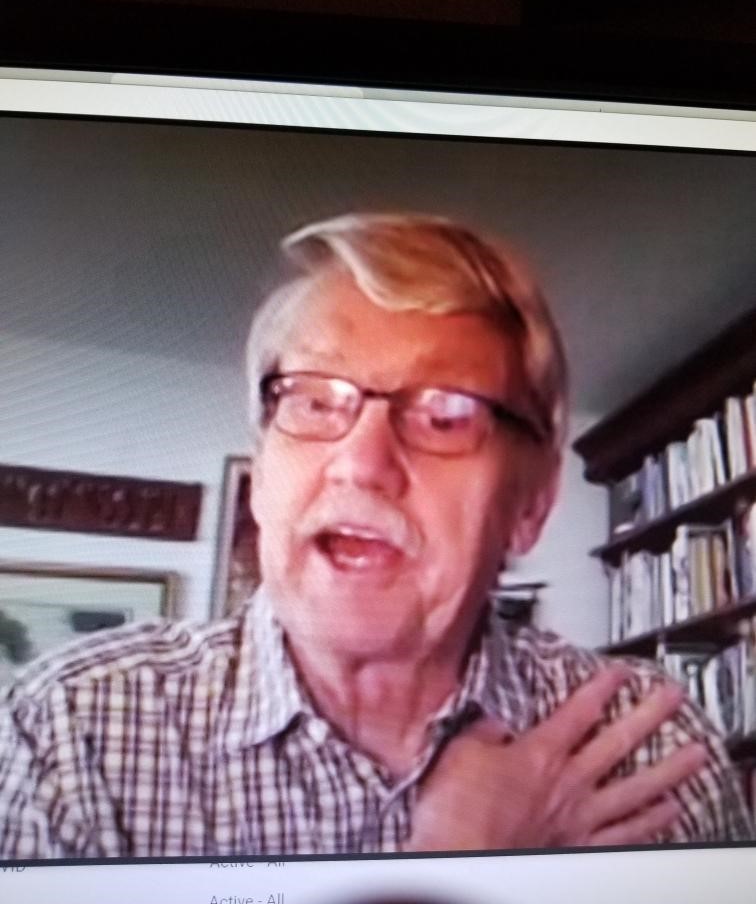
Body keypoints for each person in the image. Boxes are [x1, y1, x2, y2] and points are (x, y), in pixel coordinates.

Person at [0, 213, 751, 858]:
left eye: (446, 416)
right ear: (261, 477)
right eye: (314, 401)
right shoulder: (68, 731)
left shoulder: (651, 749)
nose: (361, 463)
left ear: (530, 504)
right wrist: (459, 869)